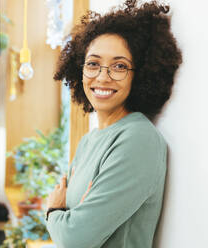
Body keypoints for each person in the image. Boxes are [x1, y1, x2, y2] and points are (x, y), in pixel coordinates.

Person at [45, 0, 182, 247]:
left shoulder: (139, 139)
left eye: (119, 66)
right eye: (93, 64)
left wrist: (54, 211)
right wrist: (67, 219)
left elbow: (74, 238)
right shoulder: (89, 141)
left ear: (140, 74)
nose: (102, 77)